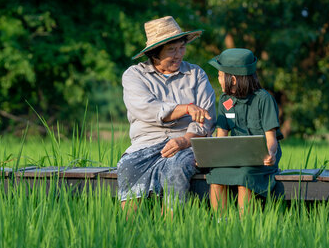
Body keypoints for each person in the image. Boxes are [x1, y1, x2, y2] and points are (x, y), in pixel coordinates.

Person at [117, 16, 216, 211]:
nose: (179, 54)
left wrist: (185, 140)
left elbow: (207, 116)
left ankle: (171, 227)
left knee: (176, 167)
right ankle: (128, 231)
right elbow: (147, 109)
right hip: (147, 144)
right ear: (155, 53)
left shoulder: (196, 74)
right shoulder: (134, 75)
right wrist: (185, 108)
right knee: (127, 166)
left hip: (188, 143)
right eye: (172, 50)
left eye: (181, 47)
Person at [206, 48, 283, 214]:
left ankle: (244, 225)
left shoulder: (263, 99)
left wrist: (270, 154)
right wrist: (210, 157)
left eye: (220, 75)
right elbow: (221, 137)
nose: (218, 79)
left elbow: (271, 140)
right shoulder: (225, 100)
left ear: (232, 79)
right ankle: (221, 223)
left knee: (244, 177)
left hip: (260, 159)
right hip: (235, 156)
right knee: (216, 176)